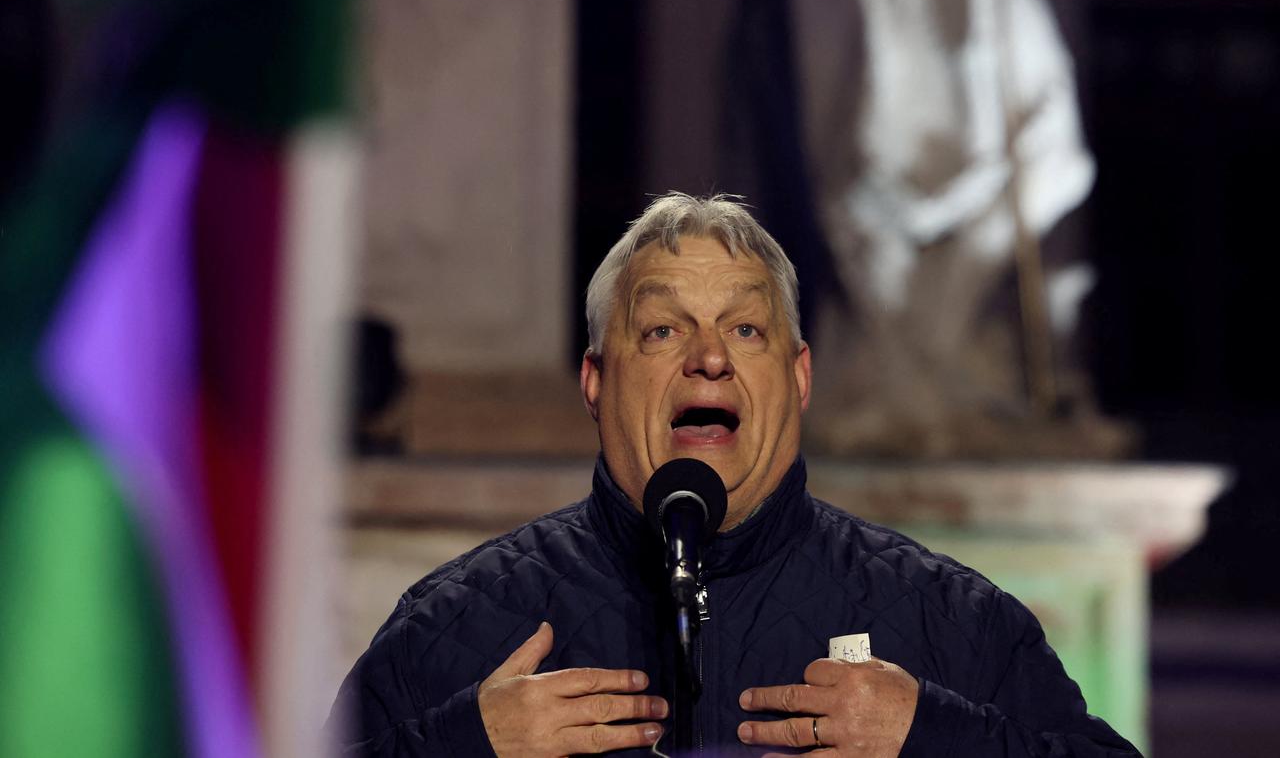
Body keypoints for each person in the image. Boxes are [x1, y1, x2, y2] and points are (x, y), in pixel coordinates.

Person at [328, 193, 1140, 757]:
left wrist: (934, 736)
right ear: (596, 383)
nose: (709, 356)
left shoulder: (949, 623)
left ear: (799, 378)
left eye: (746, 328)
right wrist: (469, 746)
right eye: (660, 331)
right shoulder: (459, 625)